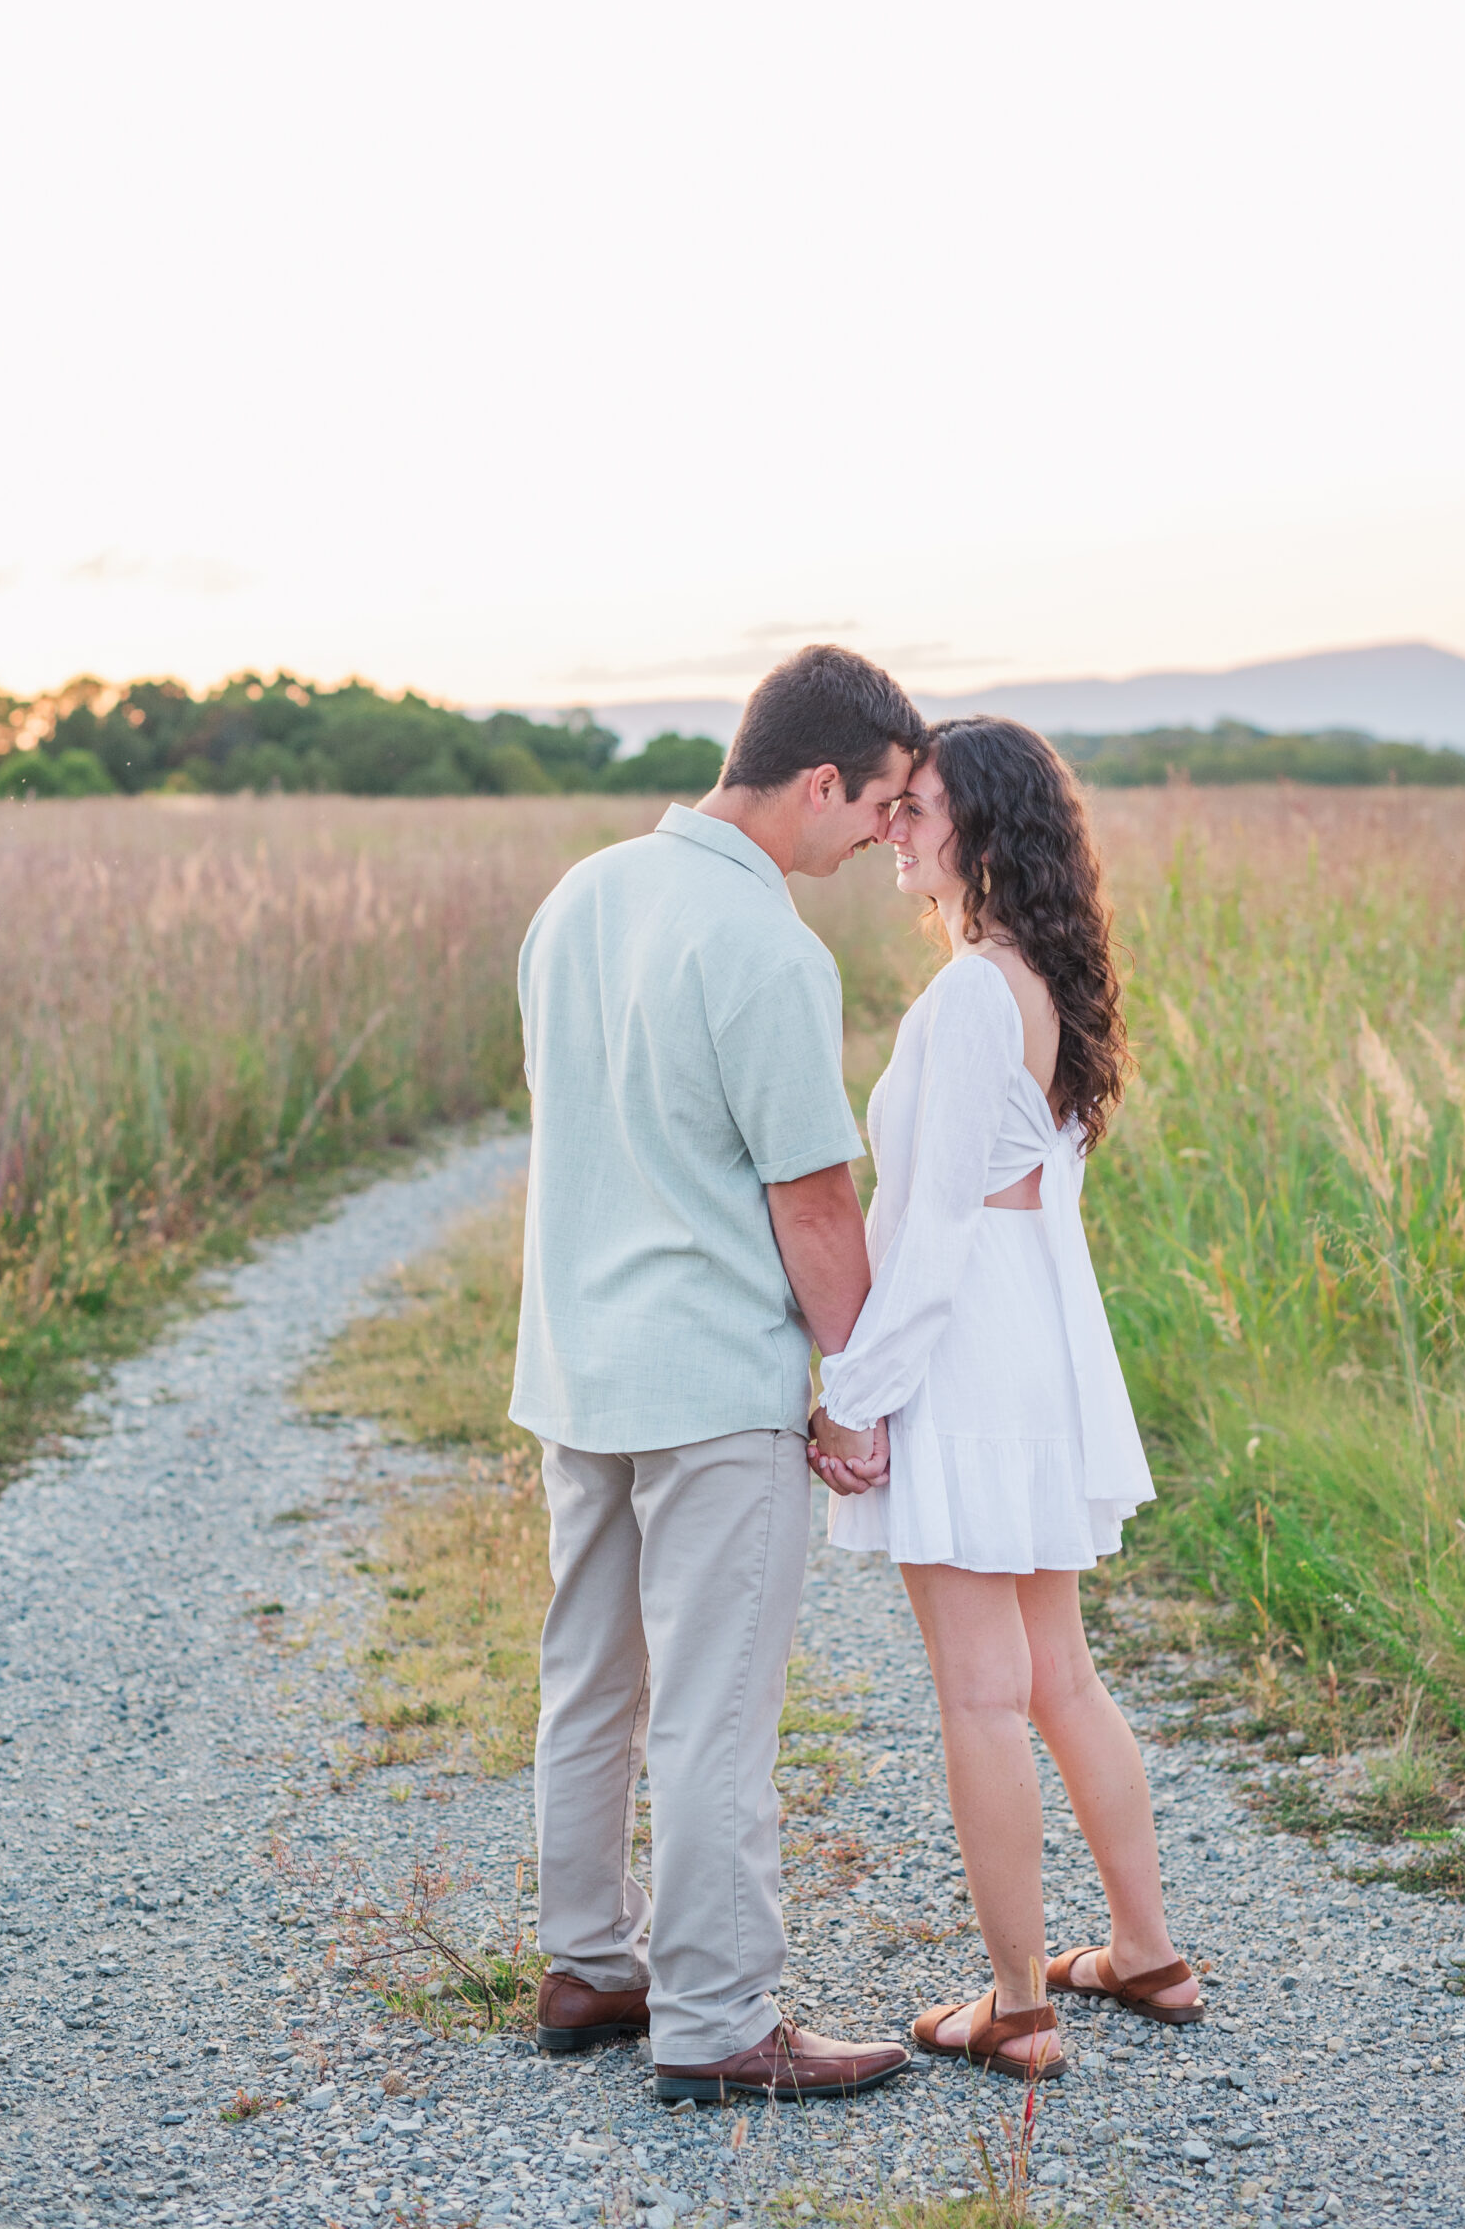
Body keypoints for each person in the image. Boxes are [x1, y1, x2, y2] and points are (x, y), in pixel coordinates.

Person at [513, 645, 923, 2104]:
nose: (881, 834)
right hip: (709, 1381)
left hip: (578, 1367)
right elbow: (813, 1204)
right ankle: (717, 2020)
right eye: (877, 806)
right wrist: (860, 1382)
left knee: (592, 1681)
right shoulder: (766, 948)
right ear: (822, 780)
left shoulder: (581, 898)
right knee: (713, 1704)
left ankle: (588, 1966)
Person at [809, 717, 1203, 2083]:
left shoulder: (977, 994)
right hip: (1036, 1341)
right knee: (1057, 1677)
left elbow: (933, 1235)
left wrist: (856, 1396)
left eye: (916, 808)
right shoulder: (1053, 977)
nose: (893, 832)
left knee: (984, 1694)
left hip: (974, 1348)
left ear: (978, 825)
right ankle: (1146, 1952)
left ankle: (1019, 2004)